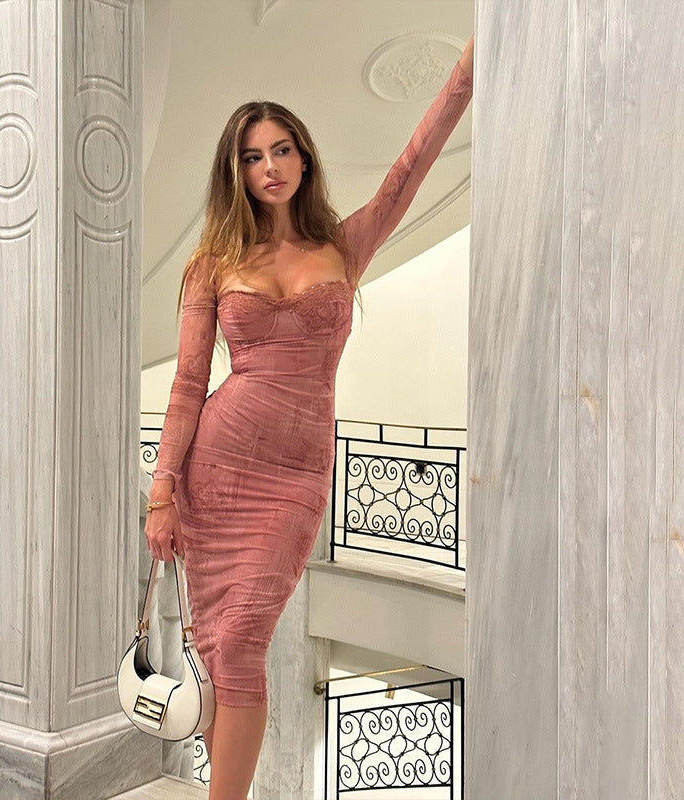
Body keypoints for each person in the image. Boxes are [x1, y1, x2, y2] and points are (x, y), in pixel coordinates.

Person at [145, 35, 474, 800]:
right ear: (236, 172)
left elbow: (408, 171)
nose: (270, 166)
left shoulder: (344, 245)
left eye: (282, 149)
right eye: (253, 157)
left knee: (243, 638)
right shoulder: (211, 264)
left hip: (294, 481)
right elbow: (189, 384)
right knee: (222, 648)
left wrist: (465, 74)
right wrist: (162, 490)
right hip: (216, 472)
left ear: (303, 157)